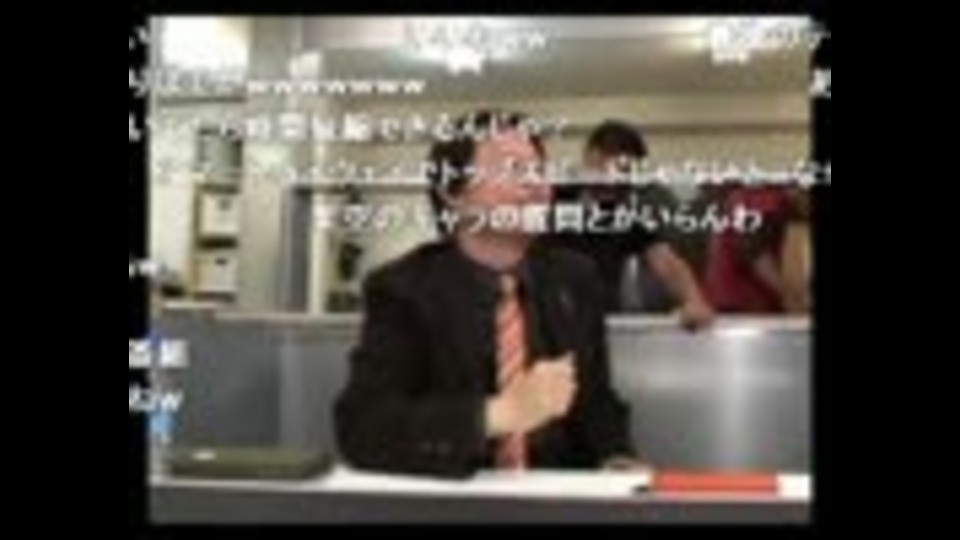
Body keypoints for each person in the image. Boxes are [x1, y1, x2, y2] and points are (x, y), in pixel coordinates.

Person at [335, 111, 641, 478]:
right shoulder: (402, 289)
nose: (535, 184)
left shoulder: (575, 279)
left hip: (560, 492)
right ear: (452, 193)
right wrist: (498, 414)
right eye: (512, 169)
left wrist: (617, 457)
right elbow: (364, 428)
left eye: (539, 170)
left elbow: (597, 400)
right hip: (455, 496)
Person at [549, 121, 715, 330]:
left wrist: (694, 299)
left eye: (626, 174)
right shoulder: (551, 197)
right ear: (591, 156)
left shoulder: (625, 213)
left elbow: (666, 261)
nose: (616, 183)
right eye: (612, 169)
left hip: (598, 324)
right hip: (547, 319)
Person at [703, 184, 811, 313]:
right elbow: (753, 252)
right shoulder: (764, 199)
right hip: (741, 300)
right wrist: (790, 294)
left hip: (731, 296)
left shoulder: (760, 197)